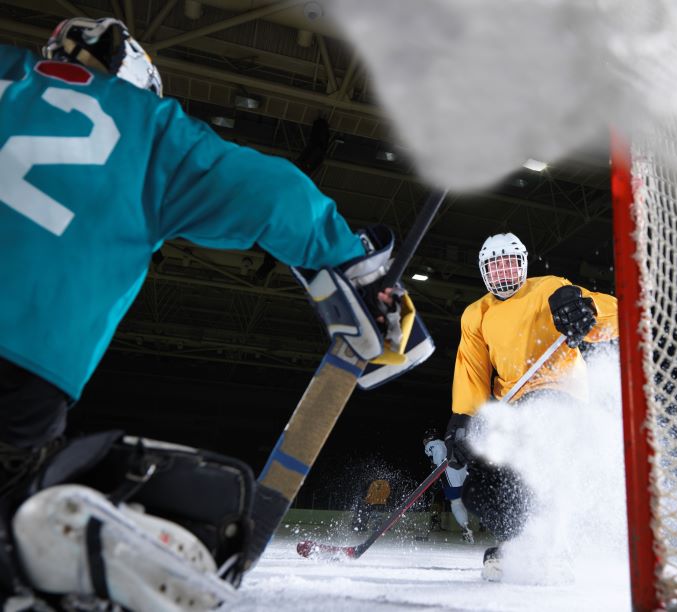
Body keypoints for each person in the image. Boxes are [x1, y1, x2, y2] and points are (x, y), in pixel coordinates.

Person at [0, 17, 419, 611]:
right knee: (18, 500)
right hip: (25, 359)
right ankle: (55, 542)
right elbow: (275, 197)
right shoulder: (148, 128)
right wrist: (358, 271)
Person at [444, 232, 618, 579]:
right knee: (480, 486)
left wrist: (585, 309)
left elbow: (611, 314)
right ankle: (518, 544)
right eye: (495, 267)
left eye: (510, 263)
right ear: (483, 272)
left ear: (523, 264)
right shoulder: (476, 315)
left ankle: (555, 547)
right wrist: (462, 420)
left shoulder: (550, 288)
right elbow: (472, 370)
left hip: (560, 396)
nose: (504, 273)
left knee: (536, 469)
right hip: (514, 406)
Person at [423, 429, 475, 544]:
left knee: (456, 502)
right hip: (463, 473)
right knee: (460, 501)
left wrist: (436, 477)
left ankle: (465, 528)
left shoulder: (433, 445)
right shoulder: (445, 443)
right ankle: (466, 527)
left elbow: (439, 454)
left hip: (451, 475)